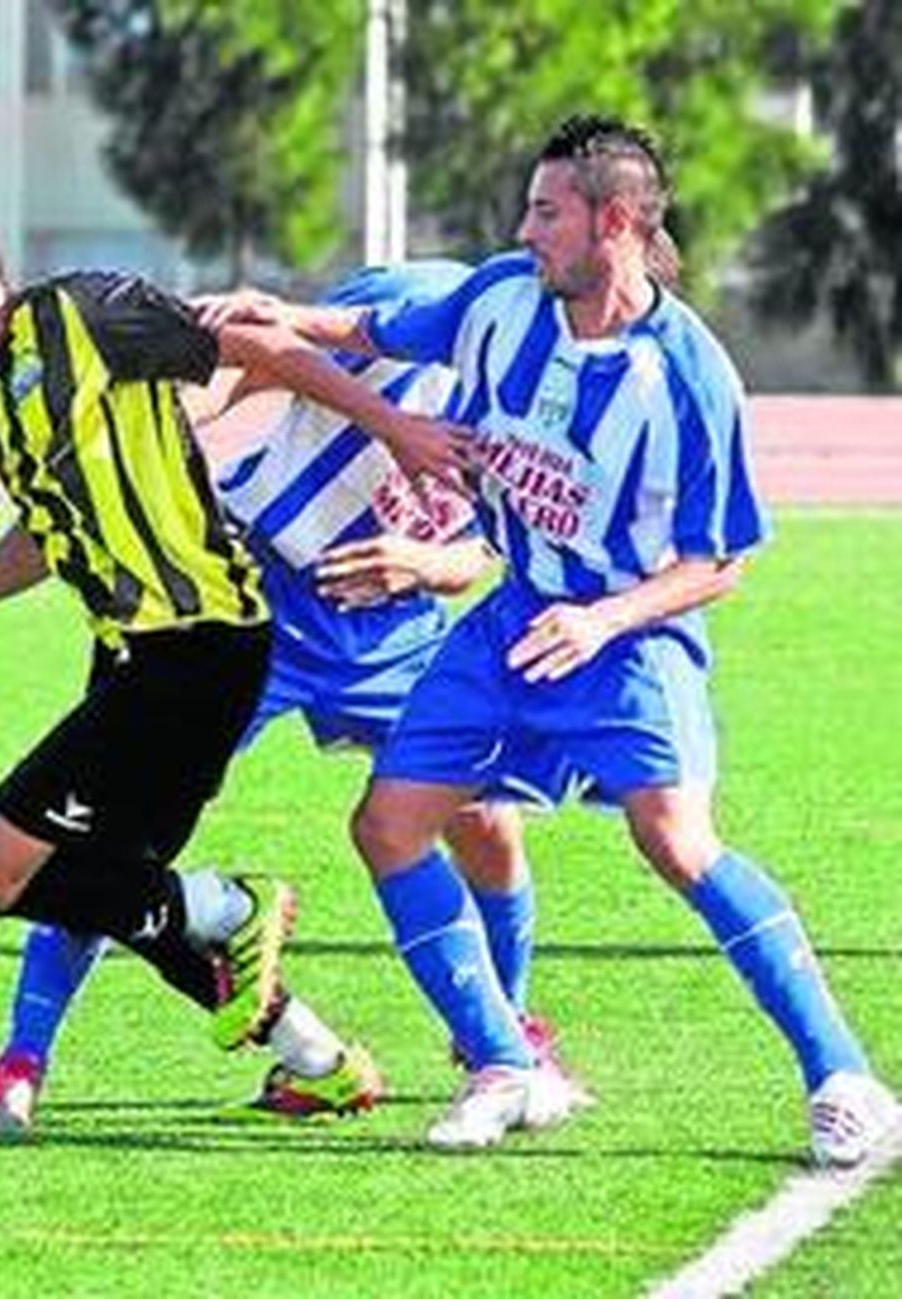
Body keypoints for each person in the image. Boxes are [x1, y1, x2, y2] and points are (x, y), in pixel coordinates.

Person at [199, 115, 898, 1165]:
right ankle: (502, 1063)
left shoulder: (688, 376)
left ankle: (842, 1075)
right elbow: (388, 328)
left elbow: (719, 561)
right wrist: (284, 313)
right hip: (510, 623)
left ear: (613, 222)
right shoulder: (502, 300)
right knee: (390, 823)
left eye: (546, 212)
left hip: (628, 636)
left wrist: (601, 618)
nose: (525, 231)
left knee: (676, 842)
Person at [0, 192, 467, 1123]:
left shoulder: (79, 312)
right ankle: (319, 1057)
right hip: (138, 656)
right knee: (116, 889)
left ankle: (231, 905)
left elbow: (258, 348)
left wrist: (391, 425)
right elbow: (47, 533)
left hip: (197, 647)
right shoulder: (0, 394)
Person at [0, 260, 578, 1139]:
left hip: (393, 631)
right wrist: (163, 423)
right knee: (108, 835)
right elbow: (259, 355)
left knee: (483, 822)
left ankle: (502, 1035)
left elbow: (493, 548)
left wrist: (426, 563)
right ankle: (24, 1055)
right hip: (259, 593)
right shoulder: (413, 301)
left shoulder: (564, 397)